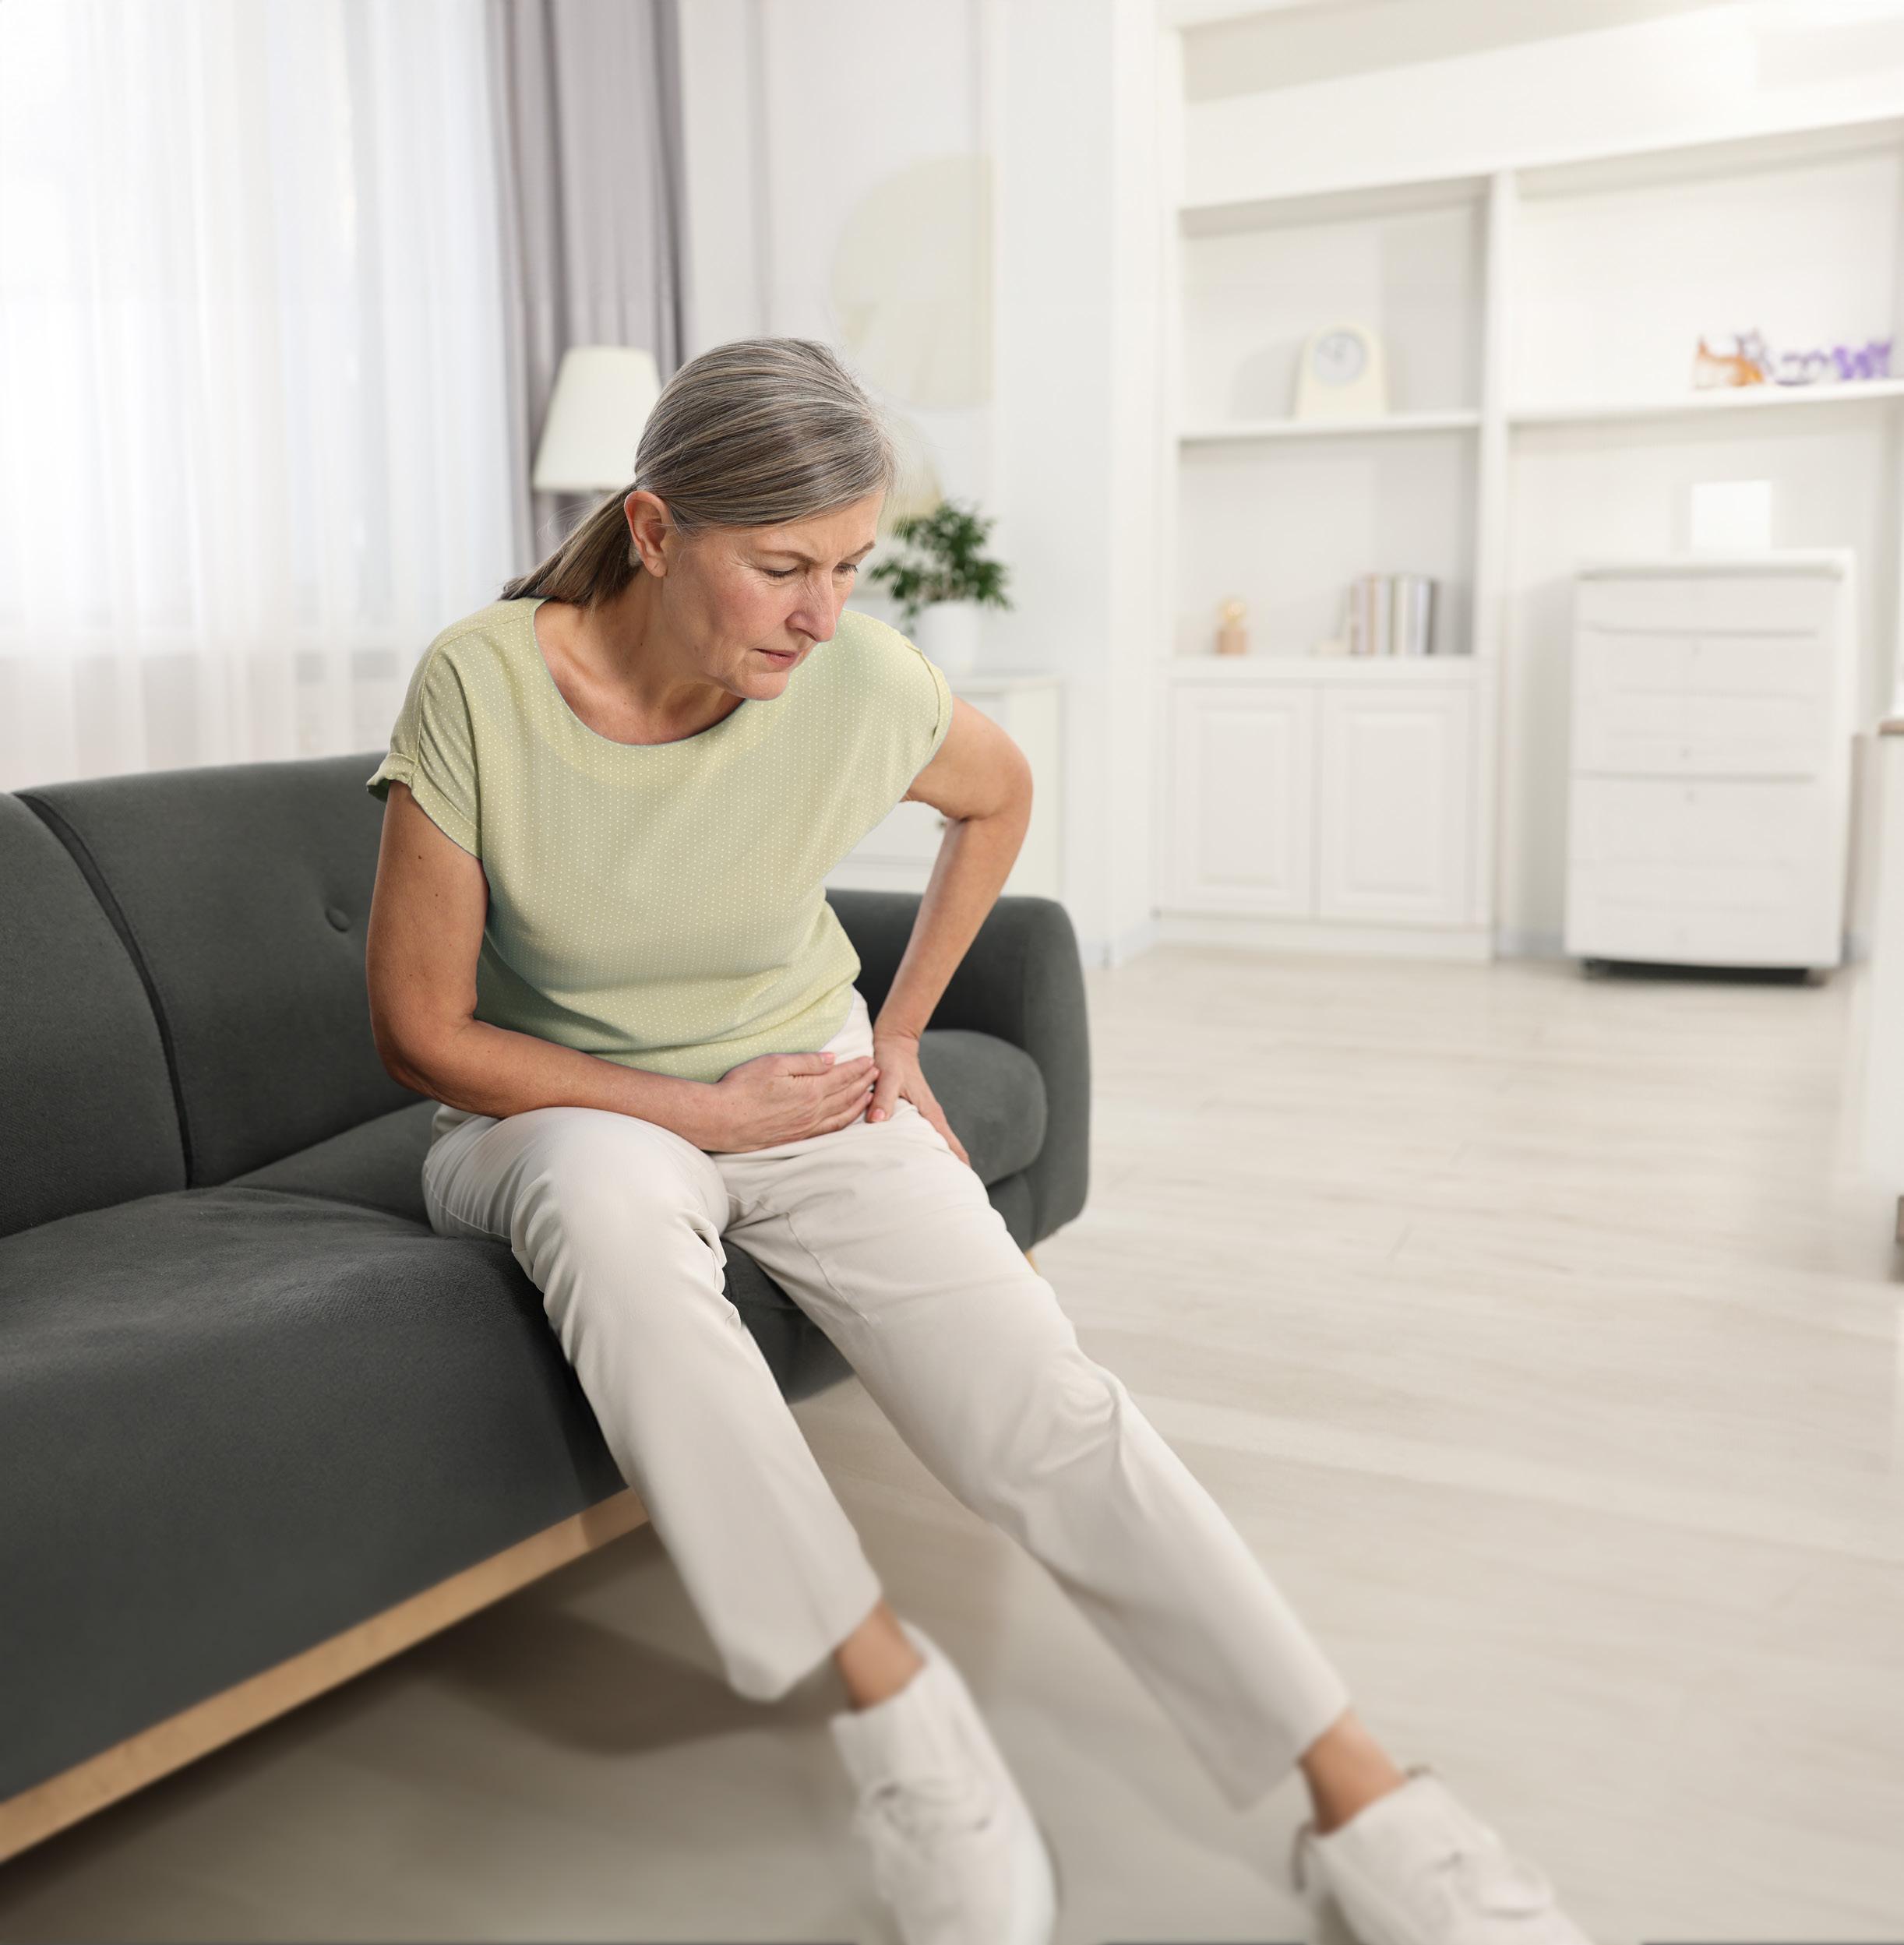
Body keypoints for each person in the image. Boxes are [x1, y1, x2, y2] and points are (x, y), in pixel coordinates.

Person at [362, 336, 1592, 1945]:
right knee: (609, 1214)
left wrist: (895, 1033)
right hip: (558, 1112)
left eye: (851, 566)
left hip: (807, 1081)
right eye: (783, 567)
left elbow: (996, 794)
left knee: (1051, 1408)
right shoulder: (483, 681)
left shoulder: (854, 680)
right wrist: (704, 1116)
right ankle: (906, 1723)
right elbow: (422, 1030)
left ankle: (1364, 1800)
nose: (823, 613)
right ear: (654, 532)